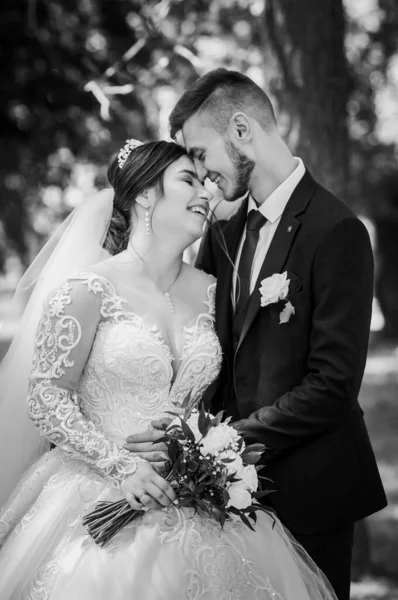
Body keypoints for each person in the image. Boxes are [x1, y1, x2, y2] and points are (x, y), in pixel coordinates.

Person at [0, 139, 337, 599]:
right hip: (97, 489)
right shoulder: (87, 289)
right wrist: (120, 466)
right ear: (143, 195)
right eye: (188, 180)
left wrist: (200, 445)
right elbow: (46, 396)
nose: (205, 193)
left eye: (206, 182)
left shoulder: (216, 292)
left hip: (195, 494)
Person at [127, 69, 388, 600]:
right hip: (223, 495)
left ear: (241, 131)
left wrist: (226, 443)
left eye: (200, 154)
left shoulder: (337, 231)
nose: (200, 177)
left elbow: (333, 385)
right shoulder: (222, 232)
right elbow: (209, 344)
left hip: (312, 492)